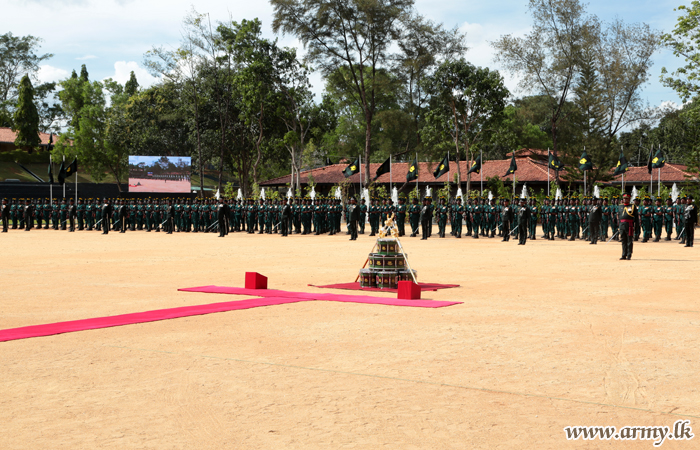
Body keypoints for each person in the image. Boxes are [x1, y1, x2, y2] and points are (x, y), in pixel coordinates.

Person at [619, 192, 638, 260]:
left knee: (629, 241)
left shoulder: (632, 206)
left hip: (629, 225)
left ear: (629, 199)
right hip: (622, 225)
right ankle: (624, 254)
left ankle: (629, 254)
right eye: (624, 198)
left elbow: (636, 217)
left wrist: (636, 226)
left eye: (627, 199)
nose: (625, 200)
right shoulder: (620, 206)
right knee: (623, 240)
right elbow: (619, 216)